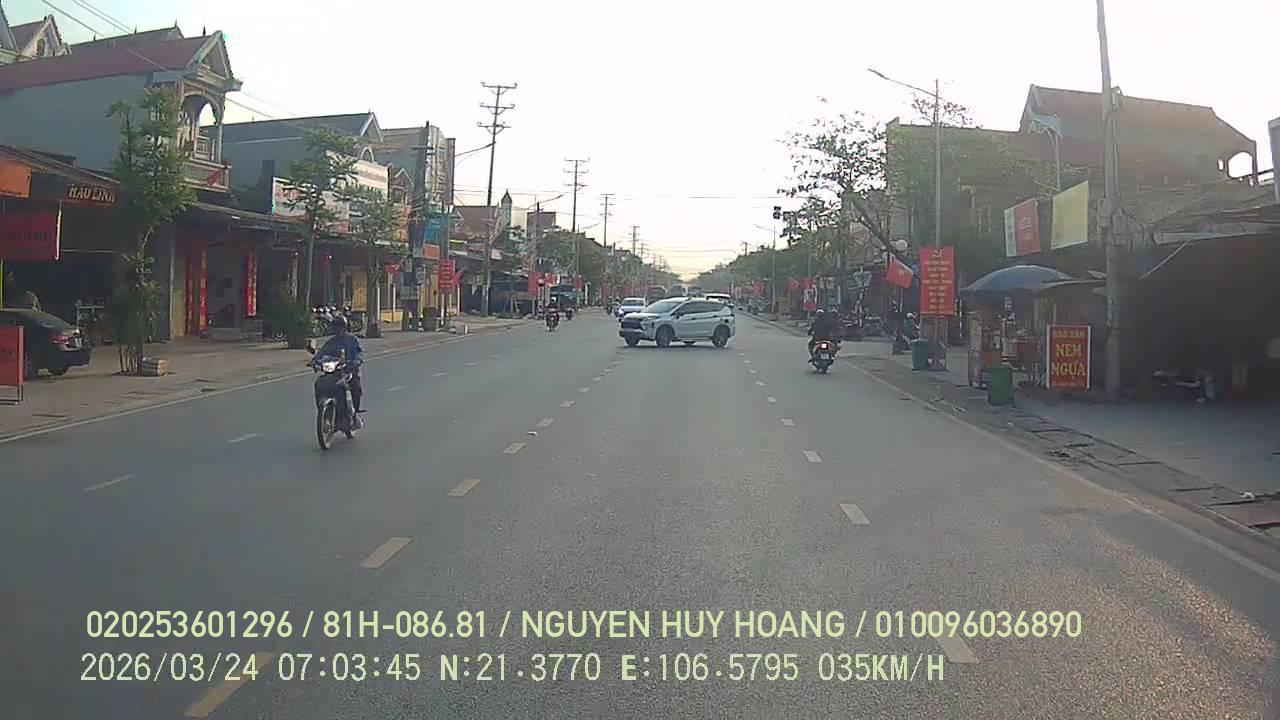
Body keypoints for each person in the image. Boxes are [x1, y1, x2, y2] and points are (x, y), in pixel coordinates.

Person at [314, 315, 364, 421]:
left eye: (340, 327)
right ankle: (322, 410)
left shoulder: (353, 340)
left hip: (348, 371)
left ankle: (355, 412)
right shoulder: (331, 342)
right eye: (335, 327)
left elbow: (359, 353)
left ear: (345, 328)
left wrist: (356, 361)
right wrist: (314, 361)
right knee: (319, 383)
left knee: (355, 386)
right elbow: (321, 353)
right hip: (333, 373)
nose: (337, 330)